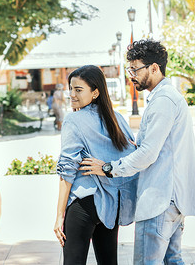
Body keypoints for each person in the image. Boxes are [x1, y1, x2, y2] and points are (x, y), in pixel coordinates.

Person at [80, 39, 195, 264]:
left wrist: (107, 168)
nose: (131, 75)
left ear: (154, 68)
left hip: (159, 200)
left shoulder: (163, 101)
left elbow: (148, 154)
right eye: (130, 69)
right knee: (173, 260)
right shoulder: (168, 97)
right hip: (173, 200)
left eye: (135, 69)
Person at [53, 65, 138, 265]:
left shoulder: (73, 120)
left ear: (95, 92)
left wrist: (59, 215)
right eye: (71, 89)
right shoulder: (117, 119)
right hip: (110, 204)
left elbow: (67, 170)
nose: (72, 94)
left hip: (83, 204)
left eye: (78, 90)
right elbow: (132, 156)